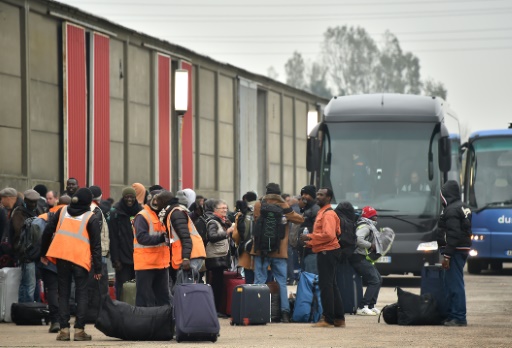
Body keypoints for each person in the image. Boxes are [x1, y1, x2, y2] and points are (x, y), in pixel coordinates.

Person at [40, 187, 102, 341]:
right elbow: (96, 245)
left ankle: (64, 330)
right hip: (80, 260)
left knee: (64, 293)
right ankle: (80, 330)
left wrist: (43, 253)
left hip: (62, 258)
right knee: (81, 294)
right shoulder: (91, 217)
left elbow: (47, 231)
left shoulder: (61, 212)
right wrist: (98, 268)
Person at [251, 183, 304, 323]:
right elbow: (299, 219)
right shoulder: (284, 205)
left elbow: (256, 220)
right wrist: (286, 218)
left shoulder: (259, 204)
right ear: (279, 193)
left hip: (260, 250)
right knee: (281, 282)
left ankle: (258, 311)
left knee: (259, 281)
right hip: (279, 251)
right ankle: (285, 313)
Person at [300, 187, 345, 328]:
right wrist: (311, 243)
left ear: (329, 198)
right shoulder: (322, 212)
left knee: (326, 286)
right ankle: (338, 318)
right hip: (327, 251)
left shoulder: (328, 214)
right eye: (318, 194)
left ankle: (328, 319)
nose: (318, 196)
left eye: (321, 195)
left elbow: (329, 235)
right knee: (331, 285)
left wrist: (310, 237)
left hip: (328, 252)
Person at [436, 180, 472, 327]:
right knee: (453, 282)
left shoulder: (451, 210)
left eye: (442, 195)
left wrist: (447, 255)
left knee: (454, 284)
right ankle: (453, 315)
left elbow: (453, 234)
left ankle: (458, 317)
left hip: (454, 251)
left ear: (446, 194)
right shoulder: (463, 207)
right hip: (461, 250)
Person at [156, 190, 206, 284]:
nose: (156, 203)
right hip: (189, 254)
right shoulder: (173, 212)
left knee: (185, 288)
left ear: (163, 201)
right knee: (182, 287)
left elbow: (185, 237)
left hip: (191, 255)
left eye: (157, 200)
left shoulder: (175, 213)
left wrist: (186, 258)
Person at [132, 190, 171, 307]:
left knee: (163, 298)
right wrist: (162, 238)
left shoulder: (163, 216)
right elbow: (142, 238)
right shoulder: (142, 216)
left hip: (161, 263)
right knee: (144, 298)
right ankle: (143, 323)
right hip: (146, 264)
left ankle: (164, 322)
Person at [109, 187, 142, 300]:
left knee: (138, 287)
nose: (129, 200)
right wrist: (115, 259)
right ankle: (122, 310)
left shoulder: (140, 212)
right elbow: (113, 238)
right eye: (127, 197)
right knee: (123, 287)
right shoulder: (115, 213)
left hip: (138, 258)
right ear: (123, 198)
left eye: (132, 197)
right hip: (122, 260)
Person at [350, 206, 382, 316]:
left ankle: (371, 306)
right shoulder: (365, 226)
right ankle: (362, 306)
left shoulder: (369, 226)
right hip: (358, 257)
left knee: (378, 279)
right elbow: (359, 240)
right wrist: (371, 245)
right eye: (374, 216)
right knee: (374, 280)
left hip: (362, 257)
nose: (376, 218)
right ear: (369, 217)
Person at [204, 199, 233, 315]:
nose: (225, 210)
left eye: (226, 208)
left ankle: (217, 309)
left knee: (218, 283)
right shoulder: (213, 222)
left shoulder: (223, 221)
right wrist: (227, 232)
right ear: (216, 210)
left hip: (221, 256)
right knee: (215, 284)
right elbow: (212, 237)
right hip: (215, 257)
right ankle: (214, 309)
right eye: (223, 208)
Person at [11, 189, 41, 302]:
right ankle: (27, 308)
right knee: (29, 284)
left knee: (35, 283)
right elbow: (19, 232)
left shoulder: (38, 210)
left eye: (35, 201)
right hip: (26, 253)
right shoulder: (19, 213)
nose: (33, 204)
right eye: (31, 201)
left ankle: (35, 307)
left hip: (37, 252)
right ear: (25, 200)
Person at [297, 185, 320, 275]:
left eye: (306, 194)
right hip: (305, 250)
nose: (303, 196)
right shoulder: (306, 209)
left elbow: (318, 229)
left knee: (311, 277)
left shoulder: (315, 209)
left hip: (312, 251)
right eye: (302, 194)